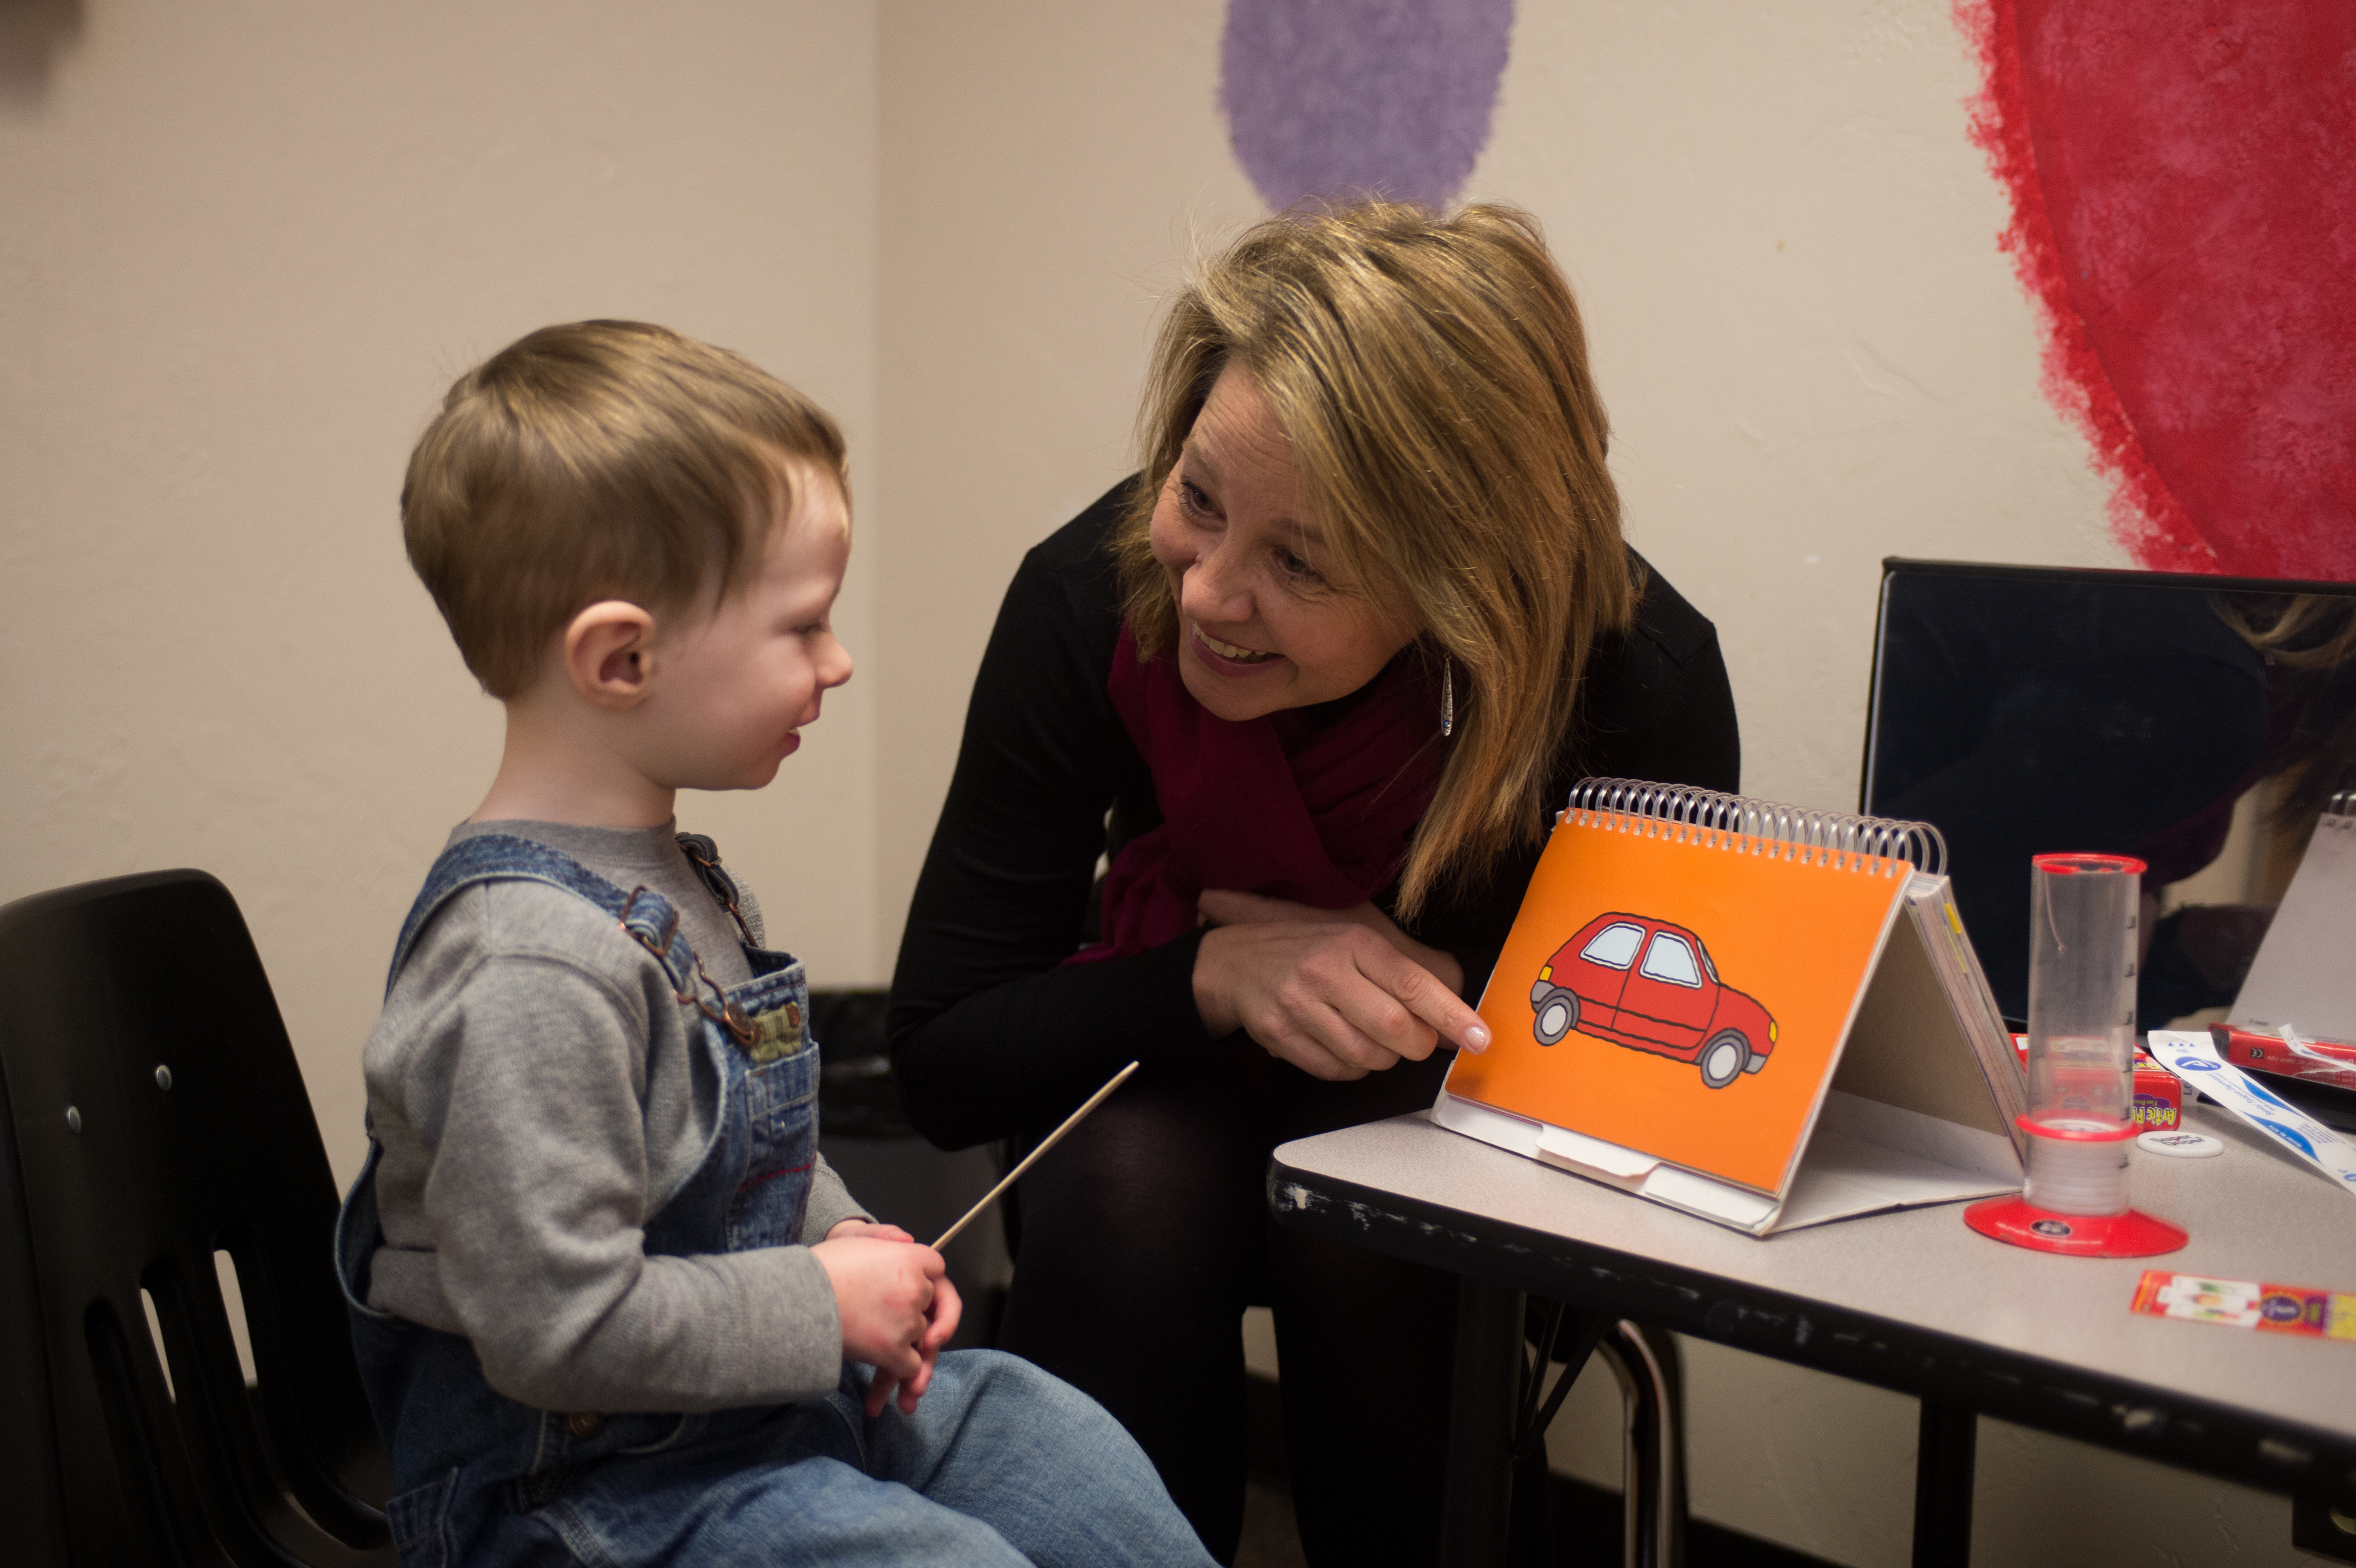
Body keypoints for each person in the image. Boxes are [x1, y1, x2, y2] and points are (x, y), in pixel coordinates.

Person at [889, 202, 1742, 1564]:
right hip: (1160, 1110)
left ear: (1461, 588)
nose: (1208, 594)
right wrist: (1215, 979)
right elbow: (941, 1051)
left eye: (1299, 560)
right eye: (1200, 498)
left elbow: (1652, 1103)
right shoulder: (1090, 598)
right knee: (1123, 1174)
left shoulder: (1632, 682)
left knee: (1381, 1206)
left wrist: (1458, 1013)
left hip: (1453, 1171)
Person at [335, 321, 1214, 1568]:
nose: (839, 660)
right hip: (581, 1497)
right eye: (801, 626)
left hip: (752, 1416)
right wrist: (819, 1305)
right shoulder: (527, 968)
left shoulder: (671, 882)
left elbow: (746, 1164)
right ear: (621, 657)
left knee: (1042, 1433)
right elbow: (557, 1329)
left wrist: (844, 1240)